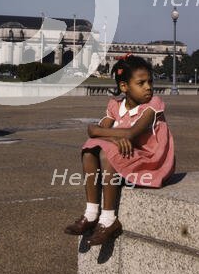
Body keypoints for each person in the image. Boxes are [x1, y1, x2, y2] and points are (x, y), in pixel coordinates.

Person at [64, 53, 176, 246]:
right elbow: (92, 130)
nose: (148, 87)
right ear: (124, 87)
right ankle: (91, 213)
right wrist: (112, 137)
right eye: (141, 83)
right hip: (131, 155)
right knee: (90, 148)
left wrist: (108, 136)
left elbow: (132, 133)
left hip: (150, 160)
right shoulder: (115, 106)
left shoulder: (152, 105)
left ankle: (109, 220)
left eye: (150, 82)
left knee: (107, 152)